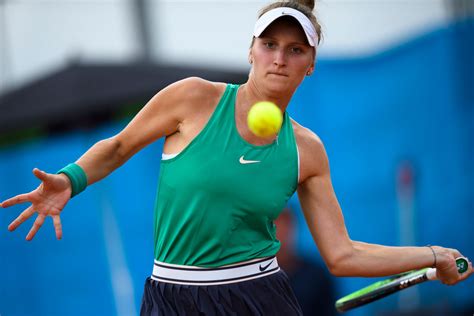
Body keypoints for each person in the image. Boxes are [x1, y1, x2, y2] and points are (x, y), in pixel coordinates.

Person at [1, 0, 472, 315]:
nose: (279, 59)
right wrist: (71, 179)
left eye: (295, 50)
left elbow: (342, 254)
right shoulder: (192, 98)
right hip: (172, 296)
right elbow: (119, 145)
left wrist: (432, 254)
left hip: (259, 295)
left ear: (310, 65)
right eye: (269, 45)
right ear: (250, 50)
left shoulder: (307, 149)